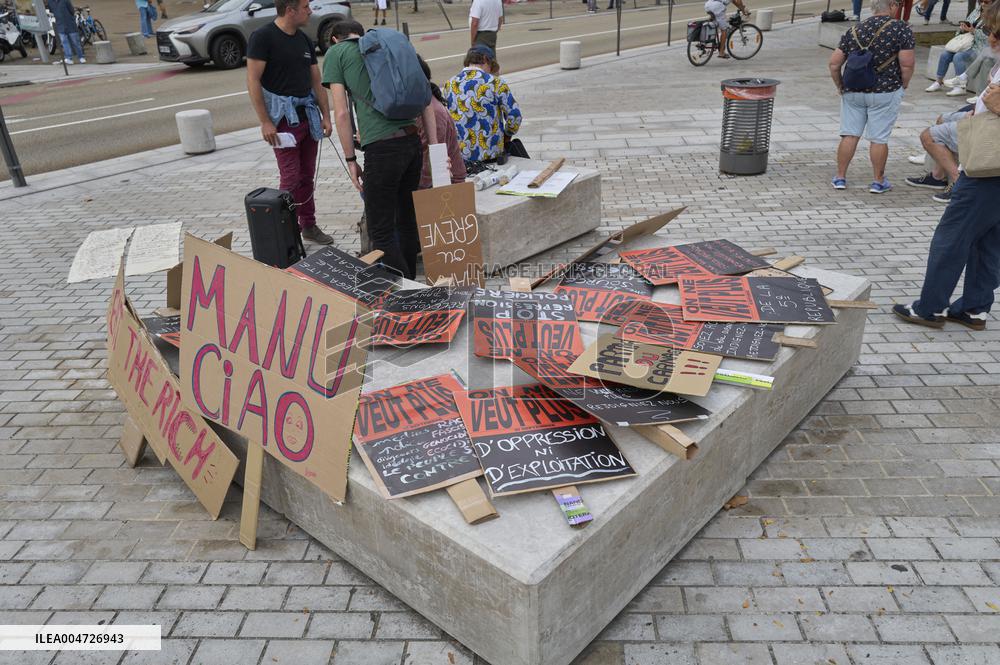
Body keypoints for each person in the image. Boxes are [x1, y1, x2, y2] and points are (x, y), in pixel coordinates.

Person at [893, 0, 1000, 331]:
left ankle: (931, 307)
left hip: (986, 169)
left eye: (991, 28)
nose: (988, 35)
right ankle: (973, 308)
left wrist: (985, 106)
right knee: (989, 239)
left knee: (951, 238)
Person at [323, 20, 439, 279]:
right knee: (406, 222)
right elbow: (426, 100)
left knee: (381, 232)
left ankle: (408, 293)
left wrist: (351, 159)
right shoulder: (387, 46)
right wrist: (434, 148)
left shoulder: (336, 53)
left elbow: (341, 113)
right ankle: (410, 284)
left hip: (381, 148)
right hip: (412, 143)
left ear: (334, 39)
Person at [246, 0, 335, 246]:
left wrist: (326, 115)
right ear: (290, 10)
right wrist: (265, 121)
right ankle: (286, 231)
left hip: (307, 116)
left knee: (306, 176)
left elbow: (316, 81)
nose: (310, 11)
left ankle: (308, 225)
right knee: (290, 178)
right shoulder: (263, 37)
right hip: (283, 121)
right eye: (306, 6)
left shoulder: (304, 39)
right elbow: (253, 80)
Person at [828, 0, 915, 193]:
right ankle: (878, 181)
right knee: (878, 138)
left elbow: (834, 64)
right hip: (885, 91)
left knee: (850, 134)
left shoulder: (854, 30)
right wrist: (904, 84)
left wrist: (840, 85)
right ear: (892, 5)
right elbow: (907, 64)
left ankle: (840, 177)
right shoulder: (900, 28)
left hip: (853, 91)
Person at [444, 45, 522, 165]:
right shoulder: (495, 82)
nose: (491, 71)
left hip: (461, 158)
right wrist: (508, 135)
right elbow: (515, 116)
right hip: (492, 155)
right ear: (486, 60)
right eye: (491, 66)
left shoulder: (449, 84)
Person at [416, 55, 467, 189]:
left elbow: (431, 165)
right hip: (432, 182)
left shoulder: (433, 113)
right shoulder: (420, 106)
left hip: (446, 186)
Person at [904, 107, 972, 202]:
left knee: (928, 136)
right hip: (977, 112)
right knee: (943, 119)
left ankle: (959, 183)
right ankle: (938, 176)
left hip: (985, 119)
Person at [926, 0, 992, 96]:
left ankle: (960, 87)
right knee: (945, 54)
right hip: (967, 43)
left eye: (986, 2)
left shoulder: (994, 16)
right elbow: (966, 26)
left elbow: (990, 38)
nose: (982, 4)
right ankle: (938, 81)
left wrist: (974, 31)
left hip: (980, 48)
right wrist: (963, 29)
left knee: (959, 56)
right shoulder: (977, 11)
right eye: (981, 1)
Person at [48, 0, 85, 64]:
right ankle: (68, 58)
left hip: (70, 24)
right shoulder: (50, 2)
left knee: (75, 42)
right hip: (60, 25)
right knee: (64, 42)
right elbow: (52, 12)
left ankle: (81, 57)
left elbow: (72, 11)